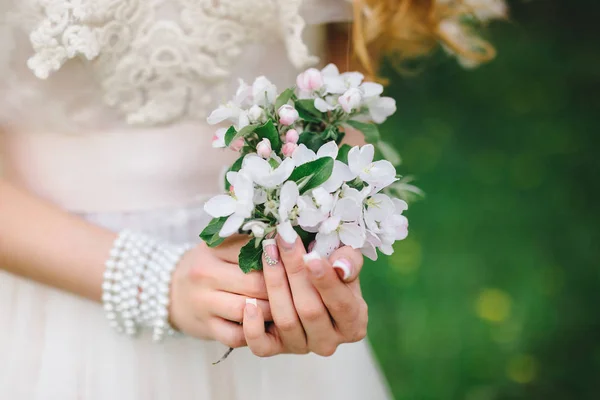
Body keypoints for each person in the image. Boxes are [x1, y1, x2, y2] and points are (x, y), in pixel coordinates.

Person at [0, 0, 504, 399]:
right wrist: (153, 280)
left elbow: (336, 86)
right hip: (50, 292)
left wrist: (329, 233)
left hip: (268, 286)